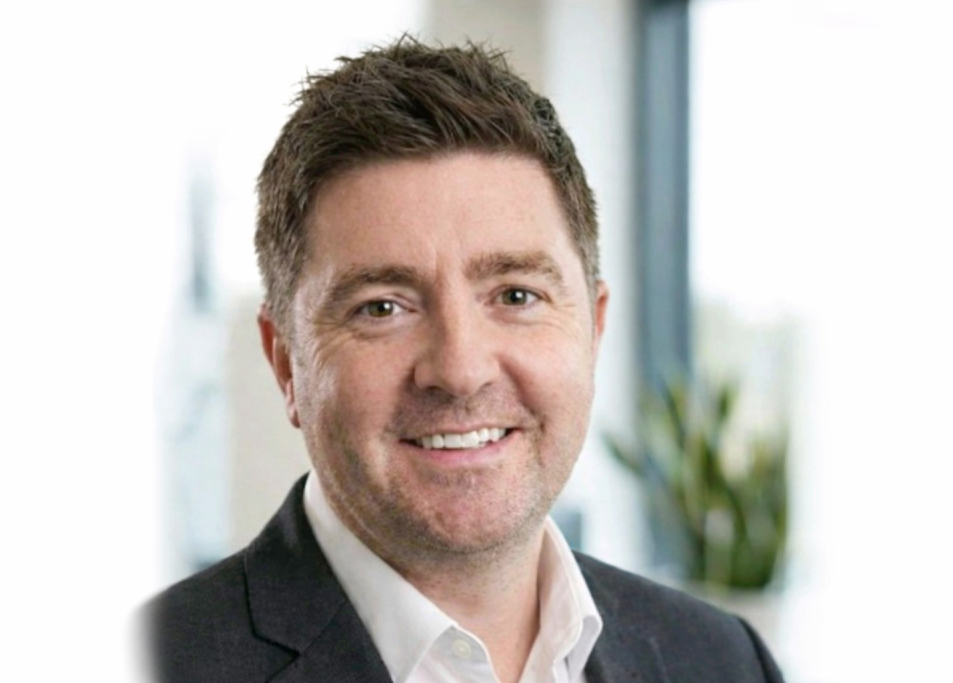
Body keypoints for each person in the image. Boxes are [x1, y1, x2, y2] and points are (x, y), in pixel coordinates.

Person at [147, 37, 784, 683]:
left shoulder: (724, 660)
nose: (460, 370)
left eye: (516, 295)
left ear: (593, 330)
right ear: (286, 363)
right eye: (382, 307)